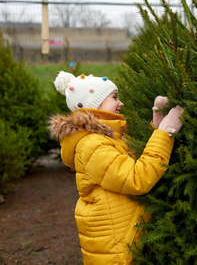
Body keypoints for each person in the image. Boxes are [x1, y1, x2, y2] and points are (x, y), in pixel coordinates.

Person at [49, 71, 183, 265]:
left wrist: (157, 125)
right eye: (114, 97)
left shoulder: (108, 138)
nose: (121, 103)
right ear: (95, 105)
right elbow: (137, 179)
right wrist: (165, 133)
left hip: (124, 236)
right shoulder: (93, 145)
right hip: (117, 250)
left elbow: (131, 160)